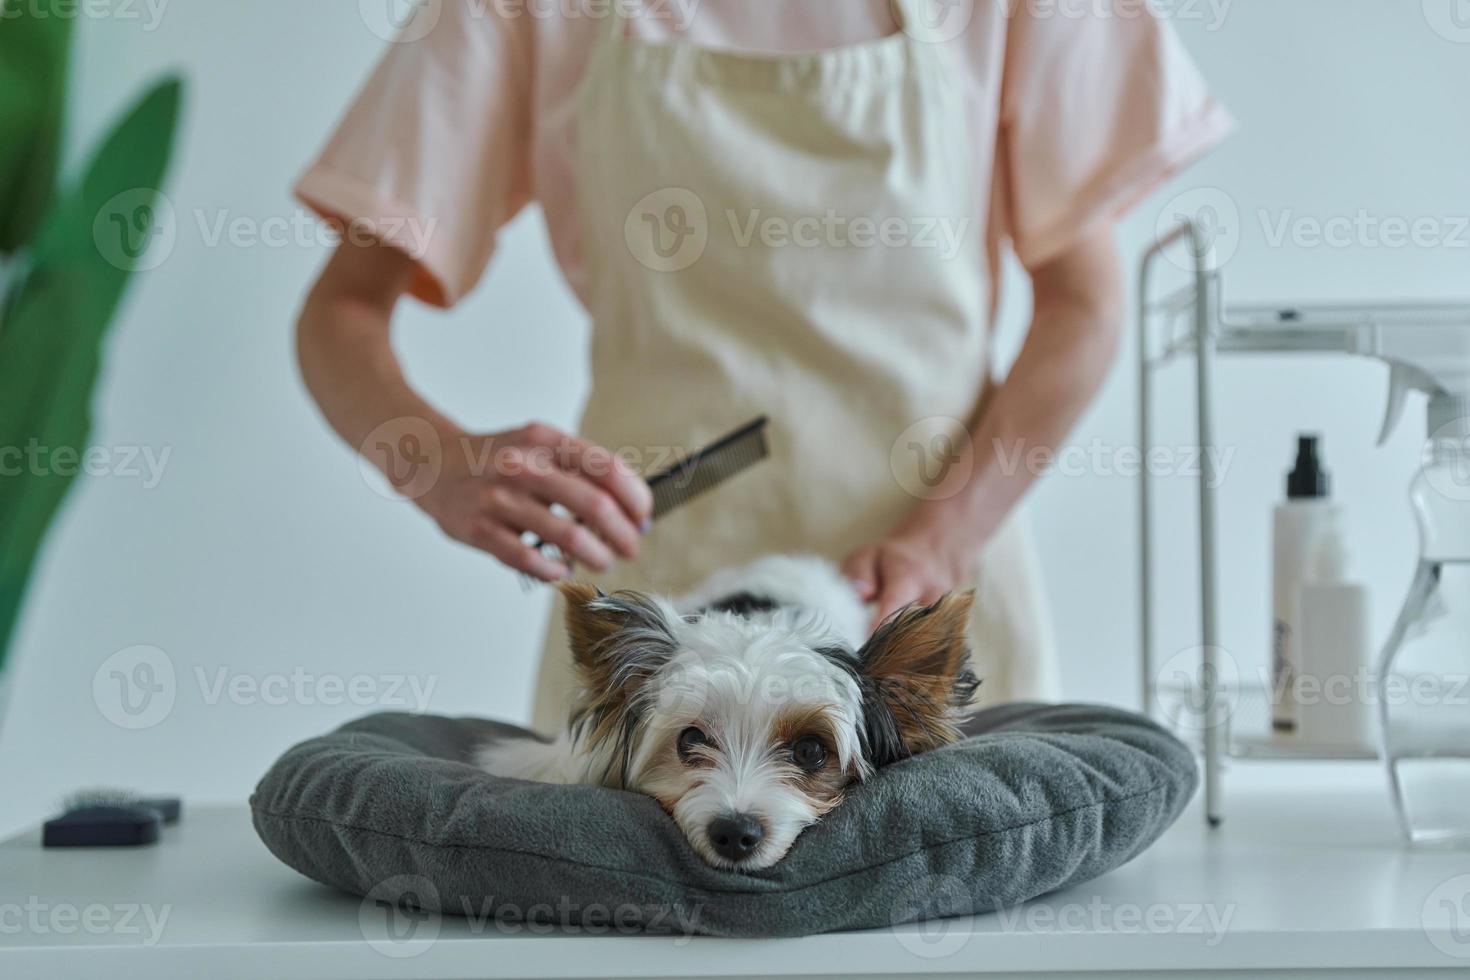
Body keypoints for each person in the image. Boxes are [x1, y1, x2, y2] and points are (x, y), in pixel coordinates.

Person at [295, 0, 1232, 732]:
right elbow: (338, 314)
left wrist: (947, 535)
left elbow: (1085, 306)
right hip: (655, 640)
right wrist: (436, 464)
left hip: (922, 625)